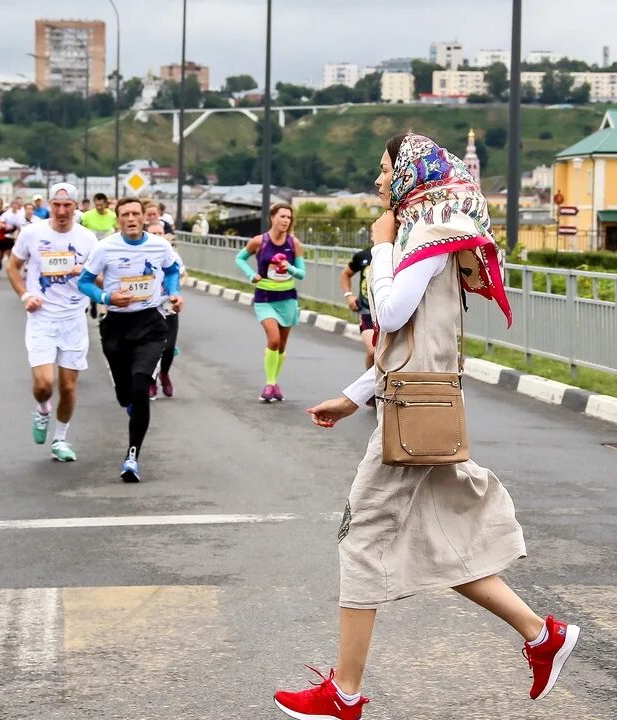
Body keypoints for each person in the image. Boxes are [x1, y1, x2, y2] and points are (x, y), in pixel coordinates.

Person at [273, 134, 579, 720]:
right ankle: (542, 636)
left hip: (414, 415)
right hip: (413, 404)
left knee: (361, 539)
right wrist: (351, 395)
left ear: (412, 174)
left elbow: (389, 313)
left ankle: (344, 693)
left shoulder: (430, 238)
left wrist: (382, 248)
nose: (379, 180)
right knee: (443, 546)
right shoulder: (430, 234)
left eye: (386, 169)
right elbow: (407, 340)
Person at [77, 197, 183, 483]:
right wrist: (107, 297)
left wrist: (173, 293)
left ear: (144, 218)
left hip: (150, 322)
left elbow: (173, 270)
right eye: (125, 215)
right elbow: (83, 282)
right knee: (125, 393)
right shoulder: (105, 247)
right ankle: (129, 401)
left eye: (136, 213)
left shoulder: (159, 246)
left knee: (140, 385)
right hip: (116, 325)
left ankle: (132, 456)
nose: (132, 218)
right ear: (118, 219)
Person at [8, 183, 97, 462]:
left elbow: (100, 276)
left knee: (68, 386)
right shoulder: (32, 233)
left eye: (67, 205)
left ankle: (60, 439)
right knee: (45, 384)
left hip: (73, 318)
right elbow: (13, 266)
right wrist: (25, 296)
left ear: (75, 206)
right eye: (56, 205)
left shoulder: (88, 239)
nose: (61, 211)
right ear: (50, 205)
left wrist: (86, 273)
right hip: (42, 316)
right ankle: (43, 408)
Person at [235, 204, 304, 402]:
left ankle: (275, 382)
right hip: (265, 298)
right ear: (272, 217)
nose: (285, 221)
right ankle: (270, 383)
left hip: (287, 298)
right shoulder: (259, 241)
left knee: (281, 346)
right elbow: (240, 258)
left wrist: (288, 267)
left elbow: (302, 273)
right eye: (282, 216)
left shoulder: (294, 243)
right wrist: (251, 275)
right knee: (273, 339)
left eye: (289, 218)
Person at [145, 222, 184, 400]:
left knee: (168, 348)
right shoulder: (142, 255)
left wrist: (176, 294)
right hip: (149, 308)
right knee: (153, 348)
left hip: (168, 306)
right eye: (154, 233)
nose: (158, 236)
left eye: (161, 233)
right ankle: (151, 382)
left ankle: (164, 374)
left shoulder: (173, 256)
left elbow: (178, 275)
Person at [341, 248, 376, 373]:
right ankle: (371, 385)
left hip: (387, 311)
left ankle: (382, 384)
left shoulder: (397, 252)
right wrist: (349, 296)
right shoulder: (363, 255)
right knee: (372, 351)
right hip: (366, 310)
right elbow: (346, 274)